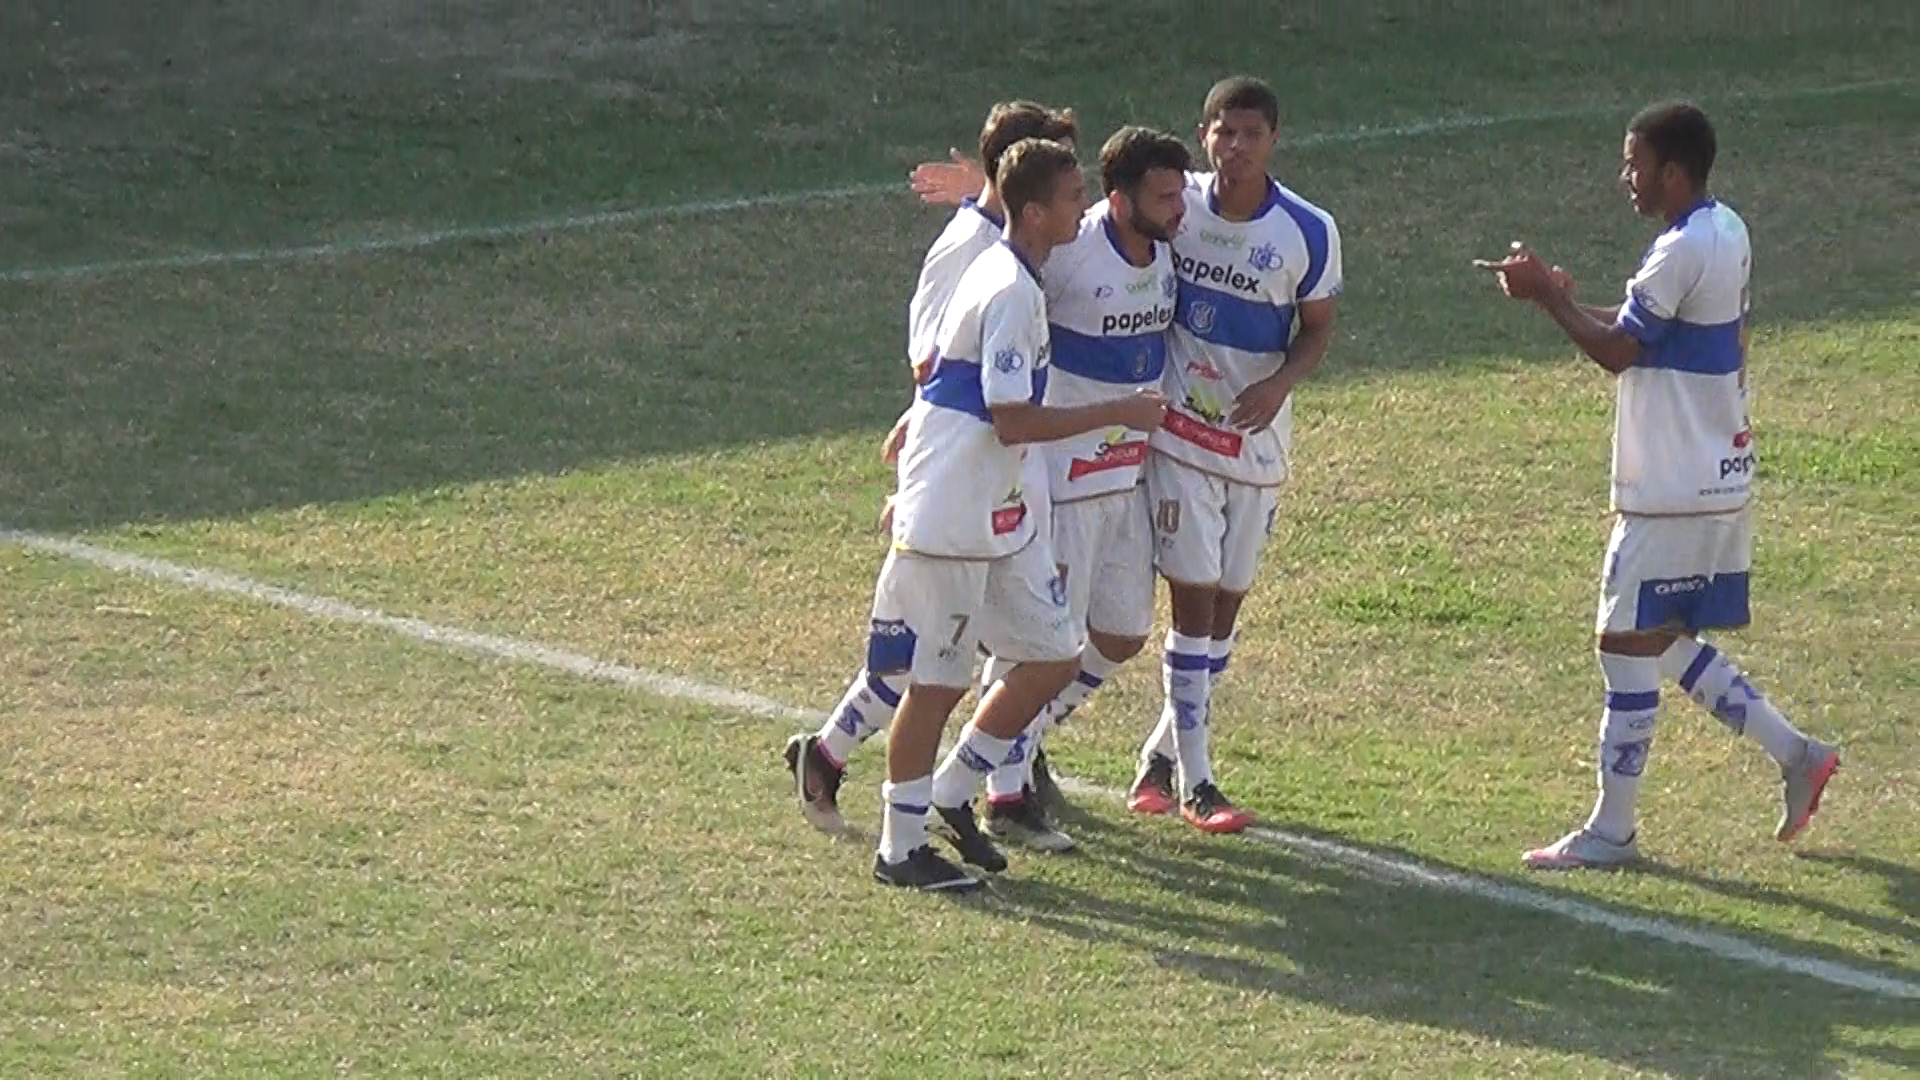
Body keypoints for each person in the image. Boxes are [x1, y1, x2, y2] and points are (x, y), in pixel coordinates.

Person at [906, 78, 1343, 836]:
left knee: (1120, 633)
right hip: (1066, 474)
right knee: (1045, 638)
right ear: (1118, 200)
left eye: (1182, 196)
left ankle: (1025, 738)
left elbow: (1307, 323)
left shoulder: (1195, 236)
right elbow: (1014, 260)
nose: (1183, 209)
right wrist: (988, 195)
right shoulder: (1070, 256)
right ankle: (1001, 789)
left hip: (1132, 471)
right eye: (1166, 198)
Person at [1474, 101, 1840, 869]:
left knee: (1622, 645)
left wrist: (1548, 296)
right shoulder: (1724, 229)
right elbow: (1650, 328)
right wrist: (1562, 299)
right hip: (1717, 475)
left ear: (1671, 171)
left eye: (1633, 164)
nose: (1625, 178)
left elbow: (1618, 352)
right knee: (1663, 639)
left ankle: (1613, 830)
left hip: (1670, 485)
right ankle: (1799, 755)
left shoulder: (1679, 248)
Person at [868, 137, 1168, 890]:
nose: (1083, 209)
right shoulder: (1008, 290)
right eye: (1072, 197)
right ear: (1035, 212)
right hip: (956, 516)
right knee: (937, 683)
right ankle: (900, 847)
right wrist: (1120, 412)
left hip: (994, 510)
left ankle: (952, 790)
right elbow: (1010, 419)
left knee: (1054, 652)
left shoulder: (1018, 280)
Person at [784, 102, 1078, 835]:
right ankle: (852, 767)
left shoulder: (1008, 251)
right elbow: (935, 360)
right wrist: (920, 460)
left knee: (996, 645)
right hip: (965, 471)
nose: (1085, 200)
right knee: (926, 659)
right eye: (1068, 178)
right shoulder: (974, 254)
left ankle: (975, 782)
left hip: (996, 470)